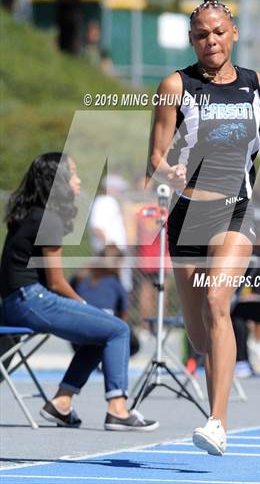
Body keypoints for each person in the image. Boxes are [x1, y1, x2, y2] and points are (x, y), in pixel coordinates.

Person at [147, 0, 260, 455]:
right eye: (201, 35)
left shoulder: (258, 85)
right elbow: (154, 154)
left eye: (218, 32)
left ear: (233, 34)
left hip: (235, 209)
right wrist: (164, 170)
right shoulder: (175, 86)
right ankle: (216, 393)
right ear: (192, 40)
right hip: (187, 213)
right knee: (199, 334)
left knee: (218, 299)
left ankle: (217, 421)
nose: (210, 41)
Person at [0, 152, 158, 431]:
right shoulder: (49, 219)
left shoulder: (27, 214)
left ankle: (61, 403)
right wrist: (85, 305)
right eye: (72, 174)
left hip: (15, 302)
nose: (79, 180)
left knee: (98, 335)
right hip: (32, 300)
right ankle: (118, 409)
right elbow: (57, 282)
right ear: (57, 180)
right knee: (117, 329)